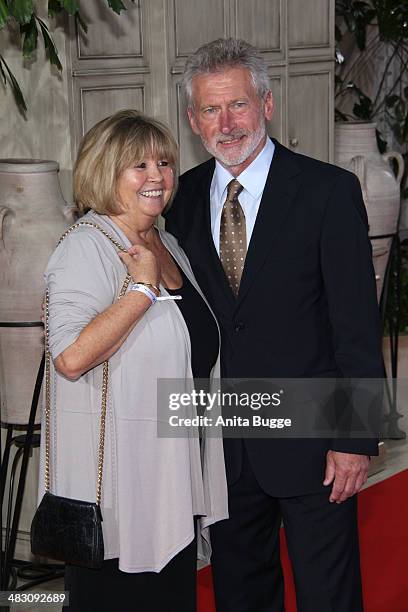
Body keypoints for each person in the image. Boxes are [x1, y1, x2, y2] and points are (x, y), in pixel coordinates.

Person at [165, 38, 383, 612]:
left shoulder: (327, 191)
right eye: (210, 110)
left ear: (267, 104)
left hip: (314, 440)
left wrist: (354, 439)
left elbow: (356, 325)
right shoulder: (180, 199)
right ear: (193, 119)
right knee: (240, 593)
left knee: (328, 595)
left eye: (238, 105)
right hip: (222, 443)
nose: (226, 123)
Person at [37, 109, 228, 612]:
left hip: (173, 476)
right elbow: (70, 357)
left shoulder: (168, 245)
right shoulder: (86, 247)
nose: (157, 176)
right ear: (105, 173)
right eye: (138, 165)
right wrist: (140, 289)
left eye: (164, 163)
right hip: (121, 492)